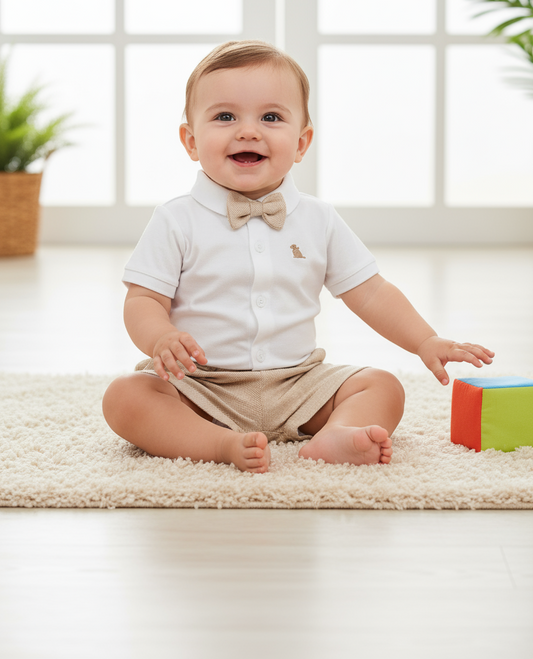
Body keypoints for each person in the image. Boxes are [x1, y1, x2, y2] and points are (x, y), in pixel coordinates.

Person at [102, 40, 494, 473]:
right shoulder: (176, 219)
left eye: (270, 117)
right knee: (126, 397)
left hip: (298, 384)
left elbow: (370, 292)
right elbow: (143, 299)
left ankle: (336, 434)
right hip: (201, 387)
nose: (248, 132)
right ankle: (218, 443)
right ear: (191, 141)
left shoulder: (318, 218)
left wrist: (424, 340)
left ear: (302, 142)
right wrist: (160, 337)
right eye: (225, 116)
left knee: (382, 386)